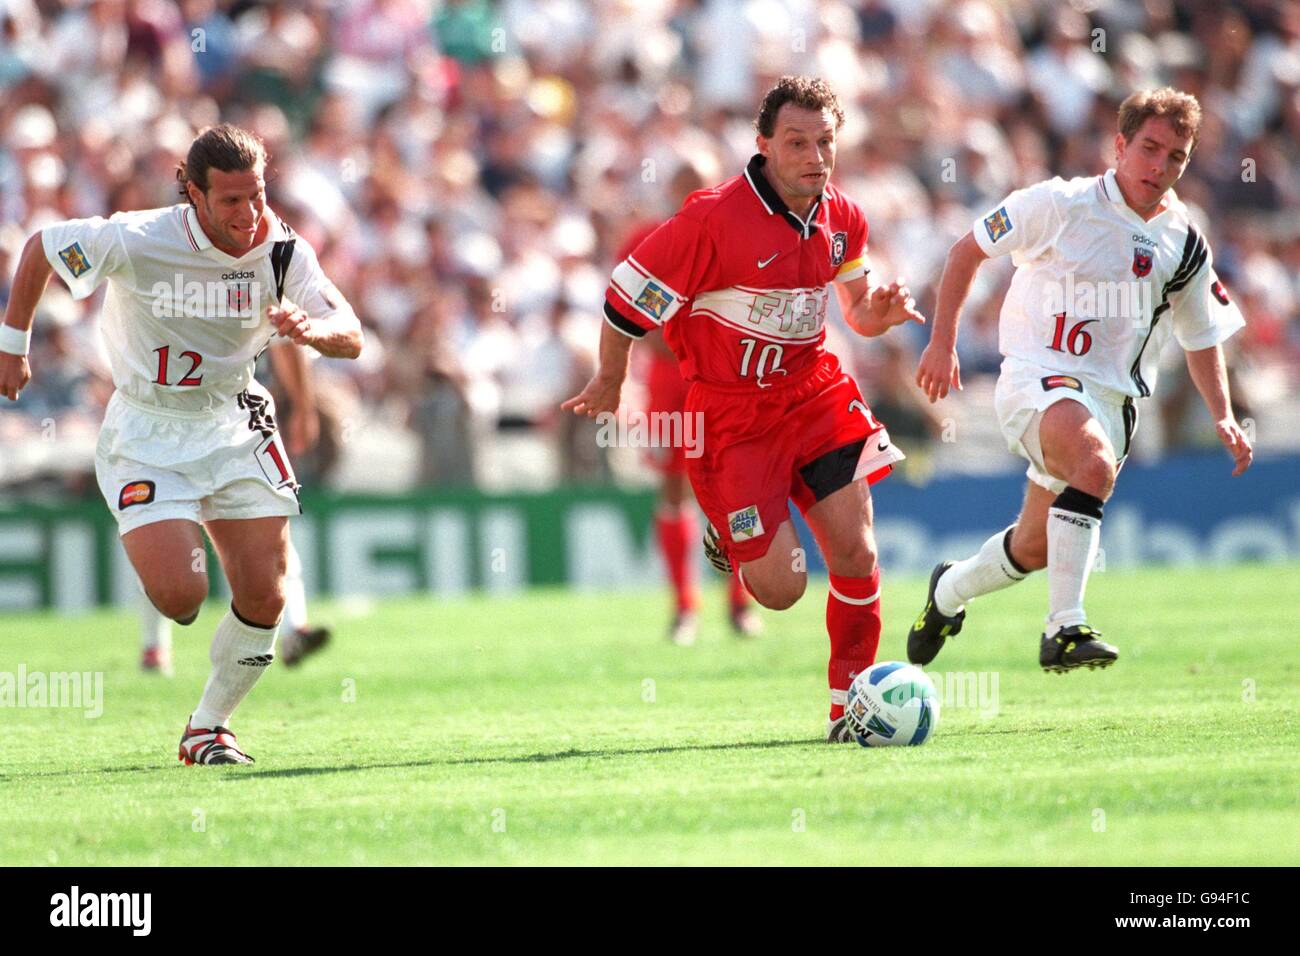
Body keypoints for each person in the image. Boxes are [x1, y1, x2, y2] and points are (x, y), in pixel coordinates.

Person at [564, 76, 924, 741]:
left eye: (825, 142)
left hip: (815, 396)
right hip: (732, 418)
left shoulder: (844, 216)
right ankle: (729, 536)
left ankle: (850, 707)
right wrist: (611, 378)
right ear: (762, 145)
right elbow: (623, 296)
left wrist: (880, 314)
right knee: (783, 588)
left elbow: (855, 309)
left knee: (856, 549)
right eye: (796, 143)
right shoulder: (711, 219)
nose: (815, 157)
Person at [0, 124, 364, 763]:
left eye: (256, 195)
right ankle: (159, 588)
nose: (249, 213)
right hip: (147, 429)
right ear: (192, 194)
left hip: (232, 422)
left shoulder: (282, 251)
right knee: (183, 599)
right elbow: (40, 248)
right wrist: (12, 344)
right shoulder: (138, 238)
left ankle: (209, 728)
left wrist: (312, 332)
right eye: (230, 200)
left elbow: (351, 332)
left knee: (266, 594)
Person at [910, 88, 1252, 672]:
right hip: (1034, 378)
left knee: (1034, 546)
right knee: (1091, 465)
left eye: (1176, 157)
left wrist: (1220, 412)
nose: (1159, 166)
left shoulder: (1184, 241)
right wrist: (942, 343)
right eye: (1149, 148)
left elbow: (1202, 334)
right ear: (1119, 145)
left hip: (1114, 404)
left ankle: (948, 591)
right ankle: (1064, 628)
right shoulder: (1057, 204)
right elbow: (966, 251)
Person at [616, 162, 760, 647]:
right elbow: (630, 313)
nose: (691, 193)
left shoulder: (735, 237)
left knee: (733, 489)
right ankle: (684, 606)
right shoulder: (649, 237)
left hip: (724, 383)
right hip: (673, 384)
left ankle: (739, 601)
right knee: (676, 487)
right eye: (684, 184)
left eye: (699, 184)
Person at [137, 340, 332, 676]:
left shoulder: (249, 291)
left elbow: (286, 339)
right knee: (162, 543)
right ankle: (155, 644)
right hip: (167, 430)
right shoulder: (160, 298)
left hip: (234, 434)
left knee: (268, 534)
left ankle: (293, 629)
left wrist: (302, 406)